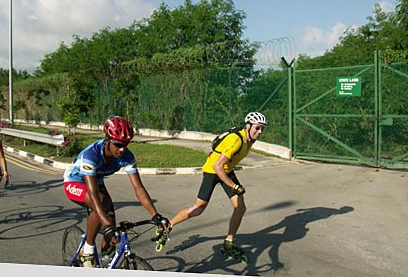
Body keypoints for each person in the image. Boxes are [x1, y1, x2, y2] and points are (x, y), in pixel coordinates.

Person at [63, 115, 170, 268]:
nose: (122, 149)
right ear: (107, 140)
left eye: (126, 144)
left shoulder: (126, 156)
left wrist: (155, 215)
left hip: (97, 182)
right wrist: (106, 226)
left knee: (112, 235)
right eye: (119, 144)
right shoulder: (91, 155)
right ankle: (87, 249)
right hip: (75, 182)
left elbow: (138, 188)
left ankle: (106, 261)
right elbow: (93, 195)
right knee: (101, 205)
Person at [169, 112, 267, 256]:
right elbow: (217, 167)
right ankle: (167, 226)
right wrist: (234, 186)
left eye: (262, 129)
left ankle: (229, 242)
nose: (259, 132)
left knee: (240, 208)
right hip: (213, 171)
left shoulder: (249, 139)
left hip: (227, 171)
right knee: (199, 208)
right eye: (257, 128)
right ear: (248, 125)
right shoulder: (236, 140)